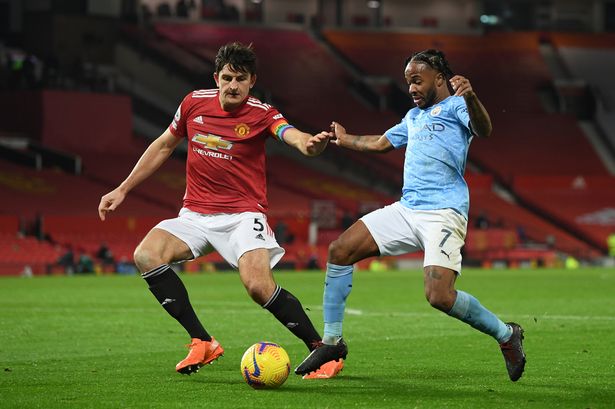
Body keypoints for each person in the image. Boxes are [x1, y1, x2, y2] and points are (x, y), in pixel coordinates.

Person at [97, 42, 339, 376]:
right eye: (227, 78)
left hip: (243, 216)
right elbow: (164, 144)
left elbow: (291, 135)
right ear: (216, 78)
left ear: (252, 81)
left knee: (258, 287)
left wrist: (309, 145)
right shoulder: (193, 103)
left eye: (241, 79)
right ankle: (202, 341)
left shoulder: (263, 113)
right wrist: (123, 188)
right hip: (195, 215)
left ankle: (322, 350)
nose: (233, 86)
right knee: (146, 255)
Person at [295, 49, 526, 381]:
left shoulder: (457, 106)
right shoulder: (413, 117)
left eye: (417, 80)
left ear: (440, 79)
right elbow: (380, 143)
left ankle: (506, 334)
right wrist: (343, 140)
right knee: (340, 250)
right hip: (407, 209)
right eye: (408, 83)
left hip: (443, 212)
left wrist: (472, 97)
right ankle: (331, 342)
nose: (412, 88)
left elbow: (483, 129)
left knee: (439, 296)